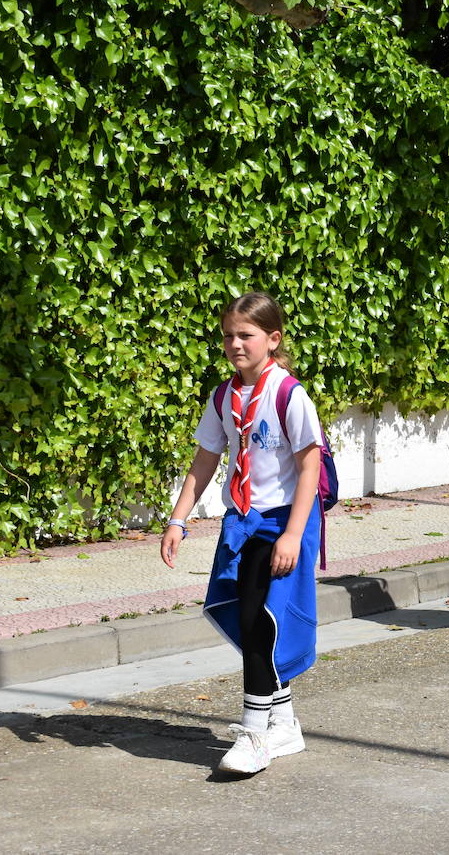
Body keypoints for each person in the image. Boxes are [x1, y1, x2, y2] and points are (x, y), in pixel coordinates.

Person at [160, 292, 324, 775]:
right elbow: (207, 458)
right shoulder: (224, 395)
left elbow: (309, 466)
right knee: (250, 618)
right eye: (229, 334)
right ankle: (285, 722)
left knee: (259, 619)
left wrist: (294, 535)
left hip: (282, 520)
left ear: (272, 340)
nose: (235, 343)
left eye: (246, 335)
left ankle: (254, 735)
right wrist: (178, 518)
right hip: (243, 521)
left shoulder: (288, 394)